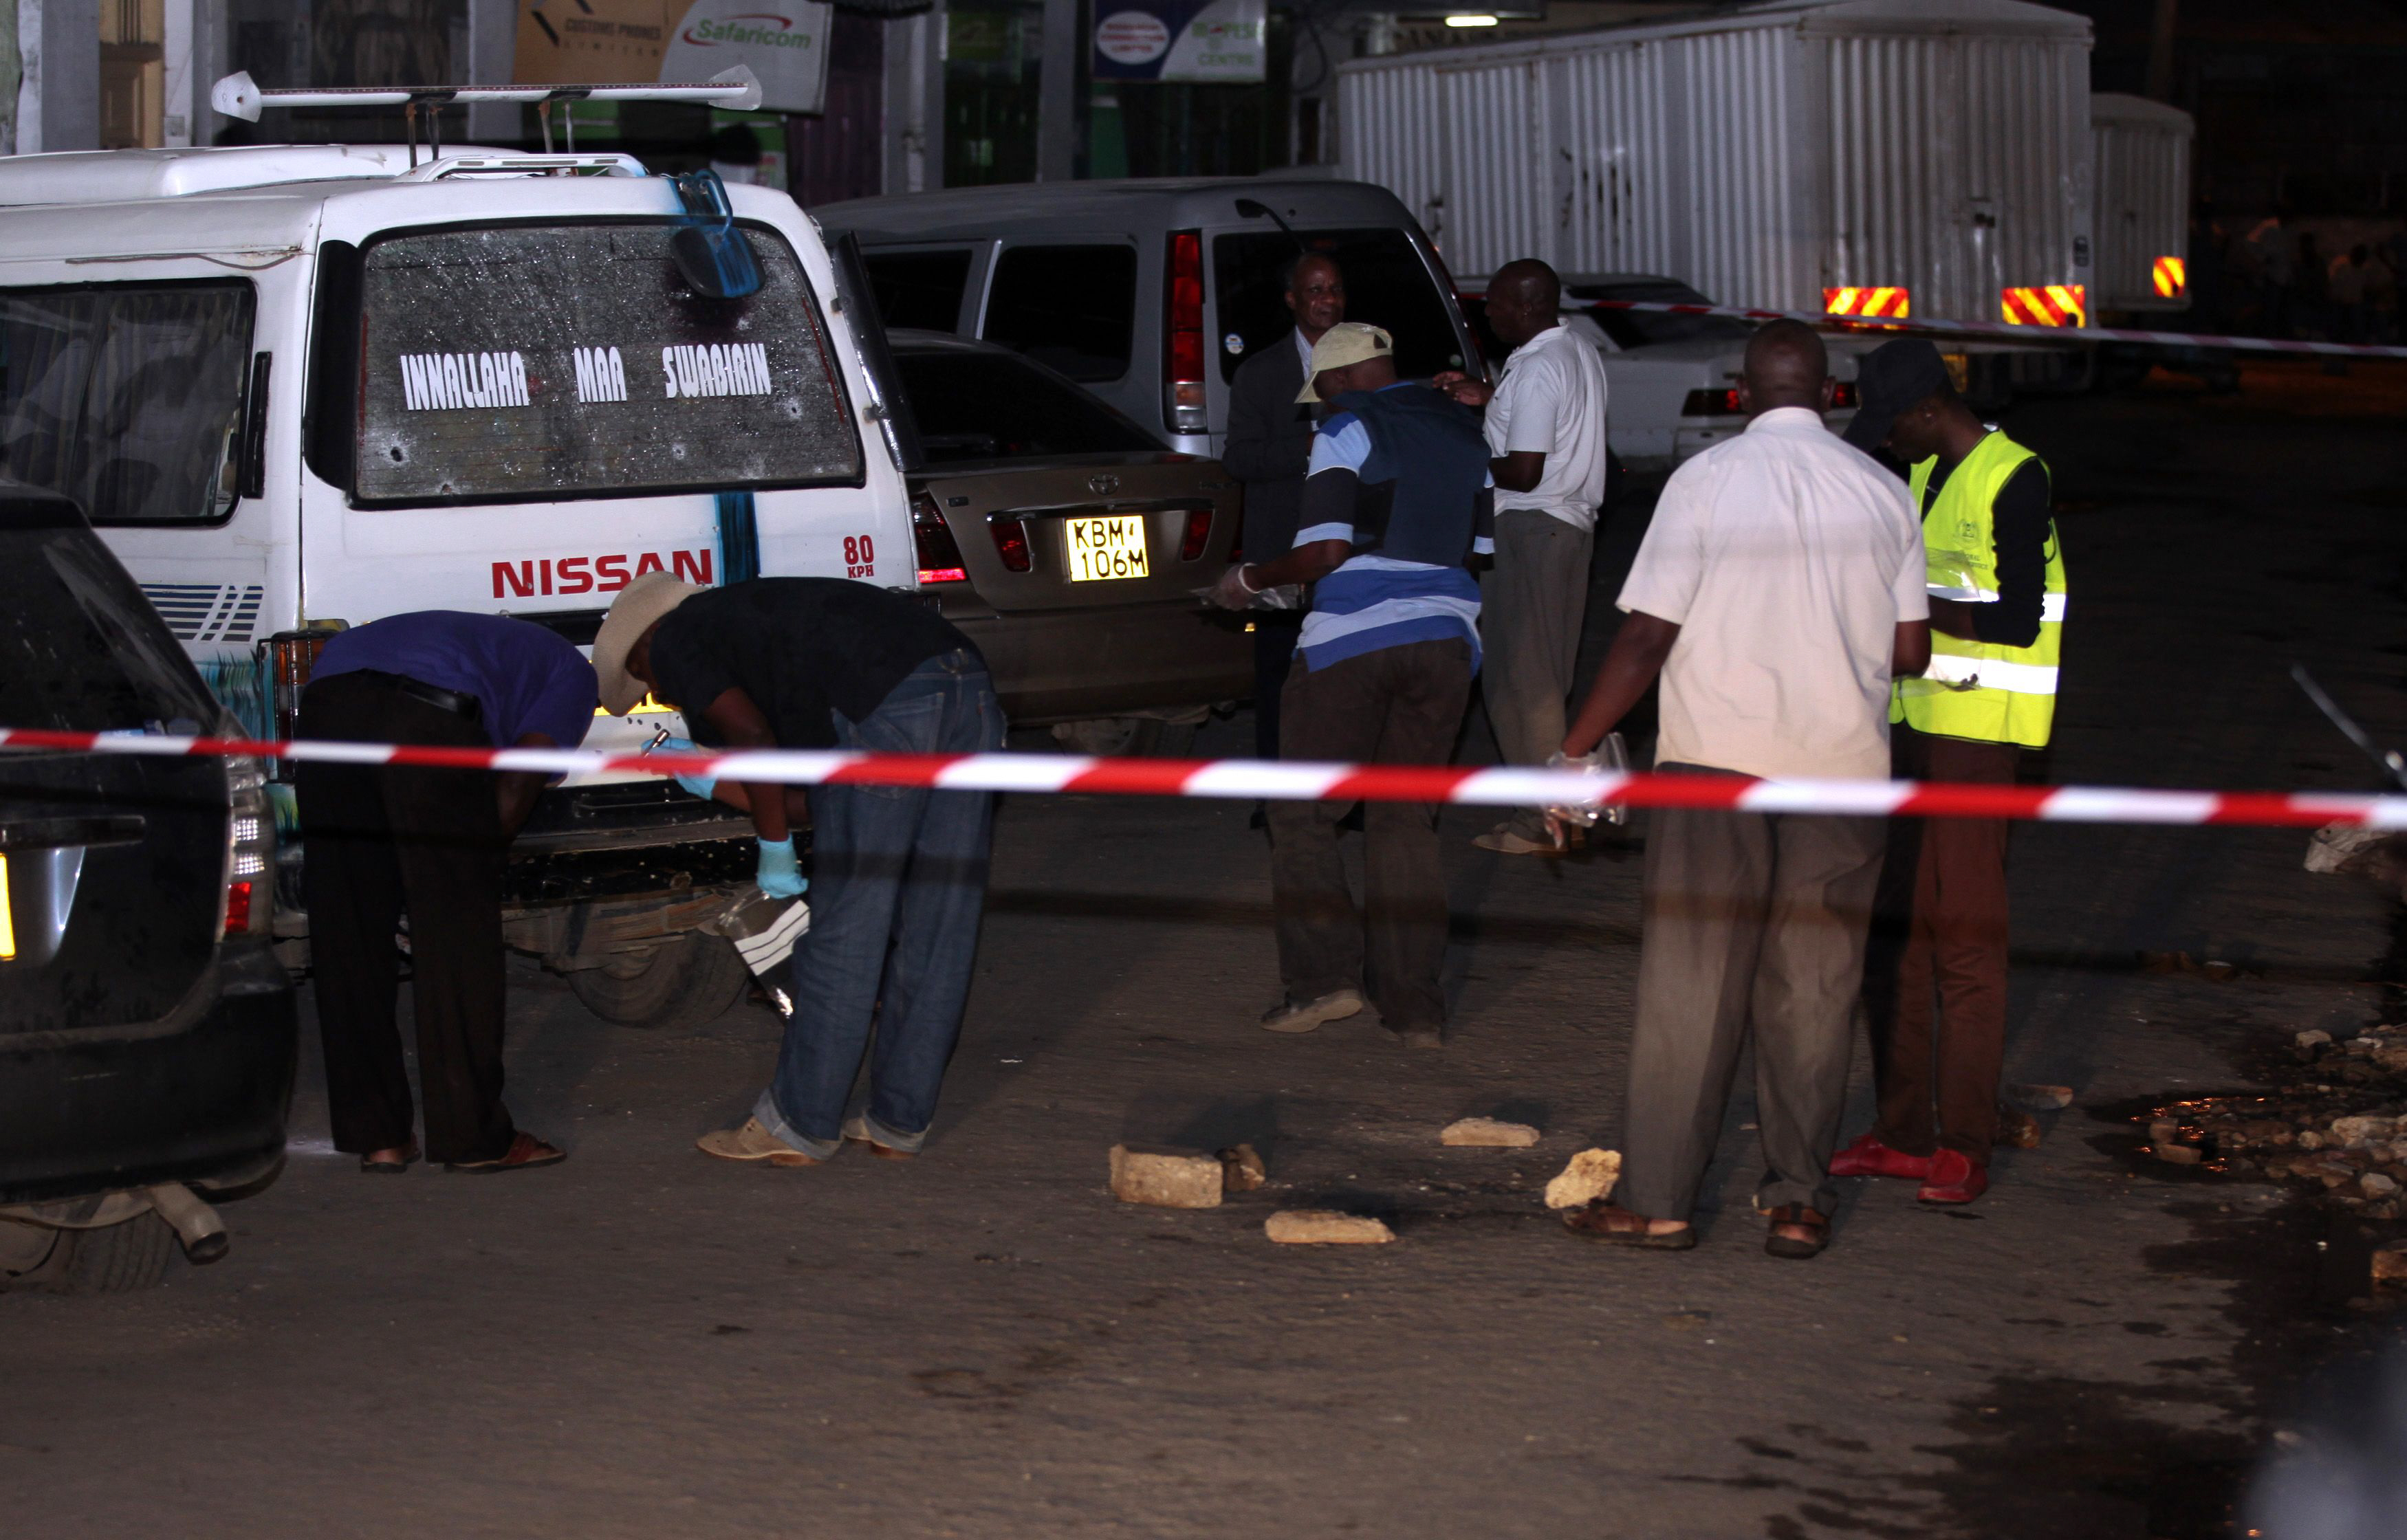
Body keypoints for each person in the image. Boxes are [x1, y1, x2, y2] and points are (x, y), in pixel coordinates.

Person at [1553, 320, 1930, 1258]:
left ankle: (1660, 1201)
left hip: (1716, 769)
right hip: (1840, 774)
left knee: (1692, 987)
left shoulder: (1706, 483)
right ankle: (1799, 1202)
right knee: (1814, 990)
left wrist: (1576, 748)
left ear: (1746, 393)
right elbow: (1911, 649)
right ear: (1832, 393)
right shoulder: (1885, 492)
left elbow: (1646, 637)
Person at [592, 572, 1004, 1166]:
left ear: (644, 643)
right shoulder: (768, 627)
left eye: (648, 680)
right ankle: (898, 1120)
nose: (667, 693)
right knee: (941, 919)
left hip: (887, 700)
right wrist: (720, 784)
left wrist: (774, 849)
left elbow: (753, 735)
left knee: (846, 929)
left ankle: (799, 1124)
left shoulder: (679, 636)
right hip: (966, 681)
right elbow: (831, 801)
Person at [1206, 322, 1494, 1048]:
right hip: (1444, 645)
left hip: (1350, 645)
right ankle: (1415, 1009)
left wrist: (1248, 579)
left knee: (1302, 813)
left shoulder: (1344, 428)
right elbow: (1478, 548)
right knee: (1404, 824)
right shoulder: (1467, 434)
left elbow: (1326, 549)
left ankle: (1322, 981)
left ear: (1337, 379)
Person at [1831, 338, 2067, 1207]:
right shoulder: (1927, 472)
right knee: (1895, 941)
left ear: (1929, 408)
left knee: (1965, 944)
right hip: (1909, 733)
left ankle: (1962, 1144)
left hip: (1975, 742)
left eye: (1893, 426)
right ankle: (1901, 1132)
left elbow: (2011, 618)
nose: (1887, 443)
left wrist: (1905, 611)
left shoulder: (2014, 476)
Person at [297, 611, 596, 1174]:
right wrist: (462, 879)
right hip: (426, 715)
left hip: (327, 708)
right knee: (457, 938)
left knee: (349, 929)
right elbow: (519, 779)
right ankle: (472, 1137)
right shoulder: (577, 677)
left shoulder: (491, 642)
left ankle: (380, 1136)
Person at [1435, 259, 1613, 855]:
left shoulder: (1538, 366)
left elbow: (1525, 470)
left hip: (1531, 530)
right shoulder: (1574, 350)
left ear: (1528, 306)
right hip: (1565, 529)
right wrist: (1490, 400)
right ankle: (1549, 812)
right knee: (1540, 677)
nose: (1488, 312)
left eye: (1497, 303)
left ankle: (1547, 822)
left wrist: (1456, 456)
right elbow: (1548, 431)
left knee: (1523, 682)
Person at [1222, 253, 1347, 778]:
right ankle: (1275, 794)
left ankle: (1350, 796)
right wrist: (1310, 446)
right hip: (1282, 551)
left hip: (1348, 552)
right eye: (1315, 290)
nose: (1328, 300)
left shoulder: (1367, 363)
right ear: (1292, 299)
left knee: (1346, 682)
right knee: (1279, 680)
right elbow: (1240, 460)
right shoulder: (1261, 371)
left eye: (1336, 290)